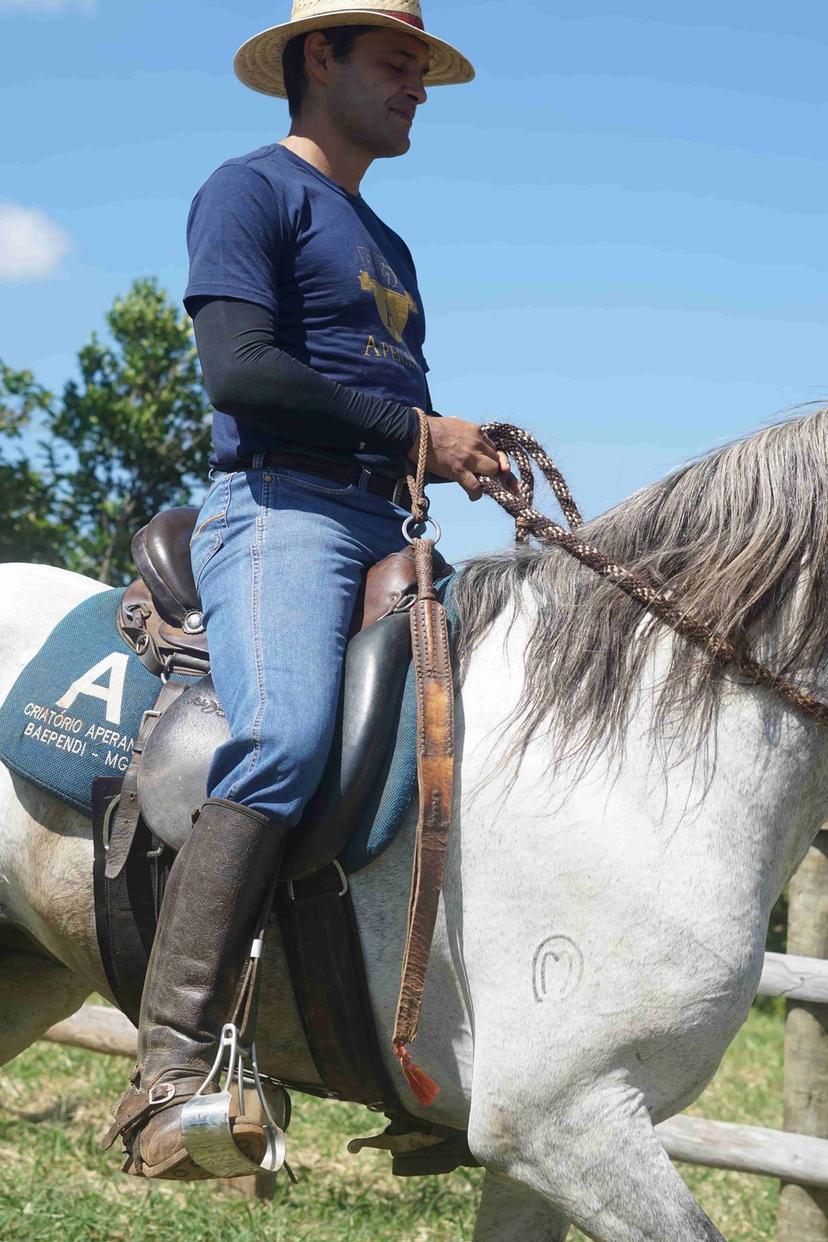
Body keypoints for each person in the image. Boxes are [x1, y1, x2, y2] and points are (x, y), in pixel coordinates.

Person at [108, 0, 513, 1180]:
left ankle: (423, 1056)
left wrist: (447, 451)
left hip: (387, 524)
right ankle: (170, 1068)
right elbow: (242, 373)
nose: (418, 88)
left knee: (486, 741)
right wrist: (416, 429)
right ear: (317, 58)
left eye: (423, 70)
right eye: (398, 64)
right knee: (282, 739)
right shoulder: (248, 191)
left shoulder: (390, 243)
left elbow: (388, 406)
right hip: (283, 511)